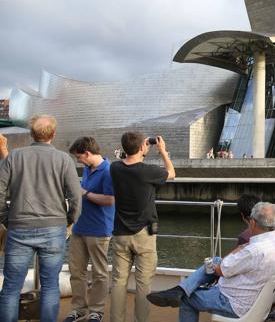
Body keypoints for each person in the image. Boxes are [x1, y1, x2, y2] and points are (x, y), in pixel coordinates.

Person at [0, 114, 83, 322]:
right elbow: (75, 197)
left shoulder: (14, 157)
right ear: (53, 135)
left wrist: (6, 219)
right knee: (50, 285)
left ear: (31, 134)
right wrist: (69, 221)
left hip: (19, 228)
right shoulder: (63, 159)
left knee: (11, 287)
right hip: (54, 229)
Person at [147, 202, 275, 322]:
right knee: (216, 260)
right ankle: (180, 289)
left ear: (253, 222)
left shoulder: (253, 251)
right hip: (256, 298)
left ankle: (181, 291)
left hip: (234, 303)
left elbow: (221, 270)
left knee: (187, 299)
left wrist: (238, 248)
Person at [109, 132, 175, 322]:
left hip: (120, 233)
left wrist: (139, 150)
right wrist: (162, 151)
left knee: (118, 282)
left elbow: (125, 159)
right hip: (144, 234)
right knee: (143, 284)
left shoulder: (115, 168)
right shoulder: (149, 171)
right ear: (141, 148)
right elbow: (171, 173)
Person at [63, 137, 115, 322]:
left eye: (79, 157)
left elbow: (110, 200)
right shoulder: (87, 169)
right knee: (76, 270)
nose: (78, 160)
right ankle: (79, 309)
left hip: (99, 229)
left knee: (100, 273)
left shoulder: (108, 171)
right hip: (79, 228)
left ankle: (96, 311)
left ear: (87, 153)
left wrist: (85, 193)